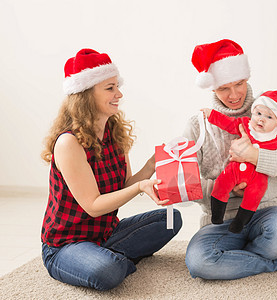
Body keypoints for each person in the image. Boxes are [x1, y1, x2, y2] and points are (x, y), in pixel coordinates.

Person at [184, 39, 277, 280]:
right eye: (224, 88)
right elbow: (187, 184)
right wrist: (232, 188)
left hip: (266, 214)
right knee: (200, 263)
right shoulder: (197, 125)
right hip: (220, 221)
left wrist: (256, 156)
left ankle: (241, 259)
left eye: (239, 84)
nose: (234, 95)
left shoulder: (271, 110)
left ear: (247, 78)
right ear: (212, 88)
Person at [40, 48, 182, 291]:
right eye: (110, 88)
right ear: (85, 94)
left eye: (117, 86)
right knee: (108, 271)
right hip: (66, 244)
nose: (119, 94)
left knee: (171, 220)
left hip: (106, 233)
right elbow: (94, 206)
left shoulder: (113, 132)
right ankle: (107, 259)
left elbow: (123, 187)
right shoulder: (68, 143)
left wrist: (151, 165)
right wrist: (140, 187)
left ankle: (106, 254)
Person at [200, 90, 277, 233]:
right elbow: (228, 123)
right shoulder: (245, 124)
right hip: (235, 169)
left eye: (269, 117)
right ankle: (217, 215)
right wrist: (211, 115)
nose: (261, 119)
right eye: (258, 114)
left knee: (254, 195)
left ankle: (240, 222)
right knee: (222, 182)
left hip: (258, 175)